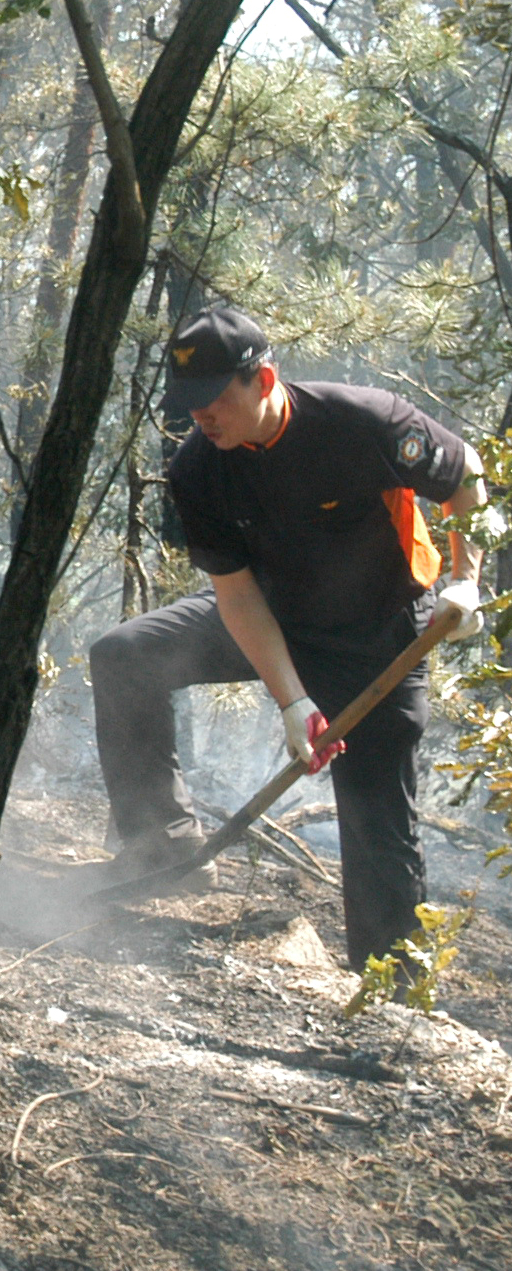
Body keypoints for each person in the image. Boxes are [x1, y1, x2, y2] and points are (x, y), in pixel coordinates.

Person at [87, 307, 487, 971]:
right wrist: (293, 702)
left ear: (263, 379)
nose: (201, 418)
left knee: (374, 815)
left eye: (214, 399)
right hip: (271, 618)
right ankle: (163, 846)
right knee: (125, 656)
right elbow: (238, 598)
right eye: (189, 405)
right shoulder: (199, 470)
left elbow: (466, 473)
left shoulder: (363, 422)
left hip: (375, 639)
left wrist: (466, 580)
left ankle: (389, 988)